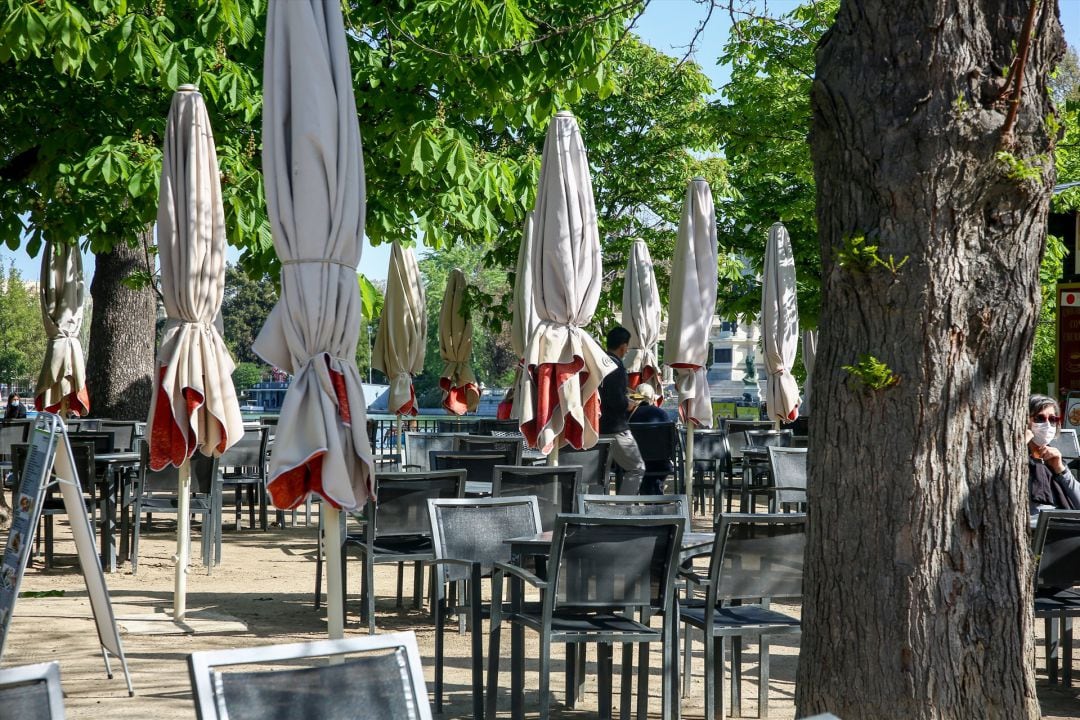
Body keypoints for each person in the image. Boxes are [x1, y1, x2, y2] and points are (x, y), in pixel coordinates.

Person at [598, 326, 645, 494]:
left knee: (597, 472)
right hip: (615, 428)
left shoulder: (599, 363)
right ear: (624, 347)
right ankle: (624, 509)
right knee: (637, 468)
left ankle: (591, 508)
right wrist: (629, 404)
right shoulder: (617, 367)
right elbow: (616, 401)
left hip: (596, 426)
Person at [1027, 394, 1080, 526]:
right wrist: (1021, 445)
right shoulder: (1016, 460)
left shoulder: (1053, 458)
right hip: (1038, 532)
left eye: (1053, 419)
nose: (1047, 424)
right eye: (1039, 418)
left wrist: (1061, 470)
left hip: (1065, 529)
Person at [629, 383, 672, 494]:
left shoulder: (629, 416)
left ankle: (648, 495)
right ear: (653, 398)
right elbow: (672, 441)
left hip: (635, 464)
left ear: (636, 397)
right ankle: (653, 496)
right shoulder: (662, 414)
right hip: (660, 464)